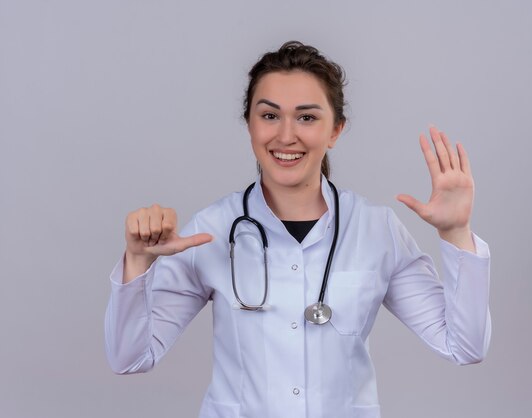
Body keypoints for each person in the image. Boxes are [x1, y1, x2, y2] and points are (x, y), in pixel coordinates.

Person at [104, 41, 491, 418]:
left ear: (335, 131)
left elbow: (464, 346)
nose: (286, 136)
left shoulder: (376, 229)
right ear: (249, 124)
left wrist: (456, 234)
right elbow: (130, 357)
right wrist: (138, 262)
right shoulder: (213, 229)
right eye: (269, 115)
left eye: (307, 117)